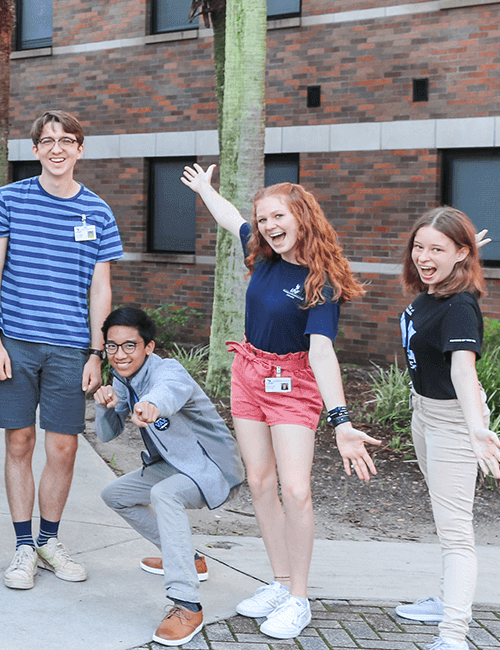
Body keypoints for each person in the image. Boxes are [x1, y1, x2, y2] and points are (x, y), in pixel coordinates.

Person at [180, 164, 378, 639]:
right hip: (248, 372)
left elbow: (322, 351)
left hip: (294, 383)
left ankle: (299, 599)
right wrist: (207, 190)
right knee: (260, 482)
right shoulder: (263, 252)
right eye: (264, 218)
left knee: (296, 490)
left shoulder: (321, 278)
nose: (268, 225)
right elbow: (231, 218)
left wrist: (341, 421)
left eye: (277, 216)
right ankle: (279, 580)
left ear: (302, 216)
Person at [0, 110, 122, 590]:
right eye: (47, 140)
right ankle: (22, 547)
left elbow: (100, 290)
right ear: (35, 149)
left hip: (69, 348)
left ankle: (49, 541)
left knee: (63, 446)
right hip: (15, 343)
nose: (56, 148)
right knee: (19, 442)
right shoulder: (8, 200)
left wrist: (96, 352)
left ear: (81, 148)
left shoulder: (98, 212)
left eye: (66, 140)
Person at [391, 207, 500, 650]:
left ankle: (453, 634)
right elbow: (444, 260)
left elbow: (464, 370)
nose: (424, 257)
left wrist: (476, 429)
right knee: (446, 524)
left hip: (454, 422)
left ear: (460, 254)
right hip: (423, 413)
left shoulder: (460, 306)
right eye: (419, 247)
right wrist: (457, 251)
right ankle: (448, 602)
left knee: (457, 534)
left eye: (436, 249)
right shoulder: (434, 288)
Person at [94, 307, 243, 647]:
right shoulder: (122, 378)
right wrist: (104, 404)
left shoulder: (168, 370)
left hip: (211, 467)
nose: (120, 354)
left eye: (130, 345)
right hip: (176, 465)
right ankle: (189, 559)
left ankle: (187, 604)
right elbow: (106, 435)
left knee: (165, 494)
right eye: (112, 347)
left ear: (149, 347)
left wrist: (151, 406)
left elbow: (169, 391)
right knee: (114, 494)